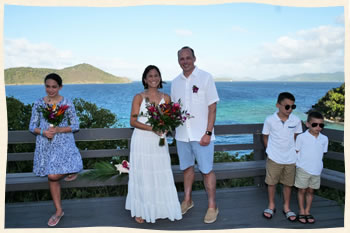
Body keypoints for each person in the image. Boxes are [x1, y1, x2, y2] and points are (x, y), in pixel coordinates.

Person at [125, 65, 182, 224]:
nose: (153, 78)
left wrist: (165, 127)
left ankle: (160, 208)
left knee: (160, 171)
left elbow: (170, 119)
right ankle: (142, 210)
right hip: (142, 140)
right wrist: (153, 128)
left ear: (160, 78)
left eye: (156, 75)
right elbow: (133, 121)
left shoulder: (166, 98)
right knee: (143, 174)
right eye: (150, 76)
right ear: (145, 79)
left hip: (159, 141)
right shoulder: (139, 97)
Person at [171, 46, 220, 224]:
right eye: (181, 58)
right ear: (178, 61)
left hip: (202, 136)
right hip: (182, 135)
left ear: (194, 58)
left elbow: (212, 108)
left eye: (188, 58)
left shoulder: (206, 77)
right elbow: (174, 110)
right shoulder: (175, 82)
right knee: (187, 169)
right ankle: (188, 200)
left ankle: (212, 206)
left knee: (207, 171)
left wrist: (208, 133)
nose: (185, 61)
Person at [29, 73, 83, 227]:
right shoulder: (39, 103)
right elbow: (32, 126)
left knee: (52, 175)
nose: (50, 90)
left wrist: (59, 129)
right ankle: (59, 211)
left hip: (64, 143)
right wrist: (43, 132)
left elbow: (75, 126)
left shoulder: (67, 103)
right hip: (46, 145)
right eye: (47, 86)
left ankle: (73, 167)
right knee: (51, 177)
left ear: (60, 87)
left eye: (54, 86)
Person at [262, 92, 302, 221]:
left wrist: (295, 152)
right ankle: (271, 205)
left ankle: (286, 207)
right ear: (278, 105)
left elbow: (297, 137)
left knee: (288, 184)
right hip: (274, 158)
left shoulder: (296, 120)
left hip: (290, 158)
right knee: (271, 183)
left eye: (292, 107)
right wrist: (269, 151)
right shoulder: (269, 120)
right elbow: (265, 136)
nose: (290, 109)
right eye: (287, 106)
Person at [295, 111, 328, 224]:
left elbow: (322, 154)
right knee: (302, 190)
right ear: (307, 124)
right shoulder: (301, 137)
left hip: (316, 170)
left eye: (321, 125)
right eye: (315, 124)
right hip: (303, 168)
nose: (318, 127)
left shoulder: (324, 139)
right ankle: (301, 210)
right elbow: (296, 151)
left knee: (311, 191)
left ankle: (308, 211)